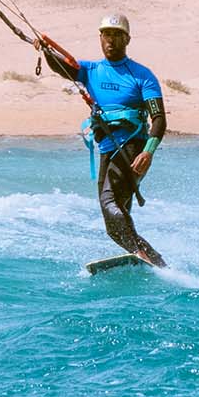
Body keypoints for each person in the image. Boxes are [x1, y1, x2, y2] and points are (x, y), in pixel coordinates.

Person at [39, 13, 168, 266]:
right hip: (107, 147)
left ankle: (142, 255)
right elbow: (62, 67)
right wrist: (44, 50)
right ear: (100, 38)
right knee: (114, 222)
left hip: (132, 147)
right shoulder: (91, 70)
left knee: (109, 203)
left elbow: (160, 119)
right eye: (106, 35)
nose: (111, 41)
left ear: (127, 39)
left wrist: (148, 152)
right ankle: (158, 263)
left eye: (117, 36)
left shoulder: (142, 76)